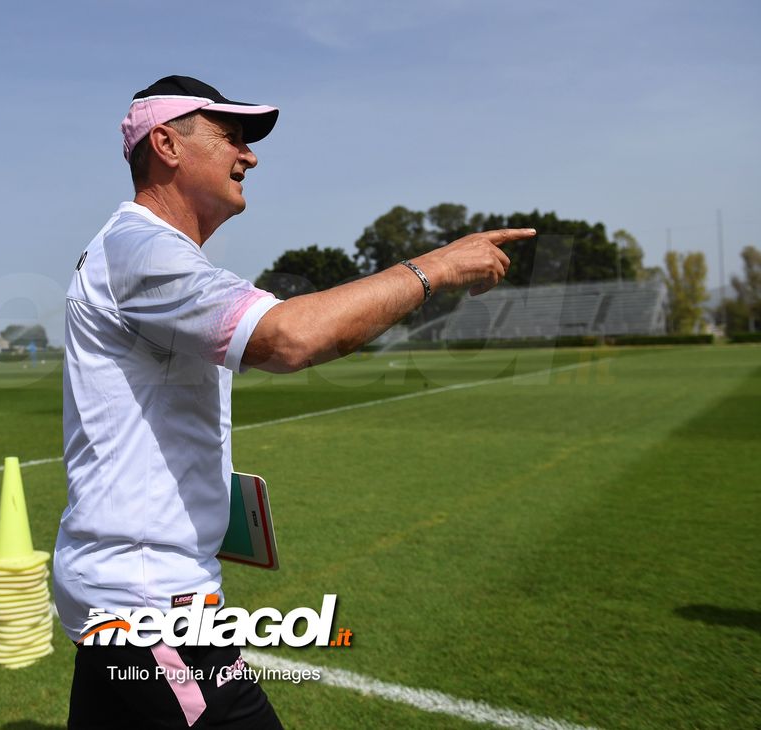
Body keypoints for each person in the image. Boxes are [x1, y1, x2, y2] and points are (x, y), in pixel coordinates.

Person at [54, 75, 535, 729]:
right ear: (166, 144)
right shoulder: (142, 250)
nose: (249, 155)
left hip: (123, 596)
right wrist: (436, 268)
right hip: (151, 607)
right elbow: (291, 337)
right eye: (232, 136)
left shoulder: (137, 249)